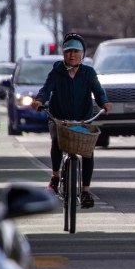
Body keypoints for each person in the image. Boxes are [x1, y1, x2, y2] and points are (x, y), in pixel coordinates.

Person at [30, 33, 112, 208]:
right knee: (57, 141)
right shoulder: (57, 72)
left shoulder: (88, 73)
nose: (72, 55)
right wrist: (39, 101)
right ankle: (55, 177)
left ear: (82, 54)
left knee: (88, 151)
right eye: (68, 51)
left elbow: (98, 91)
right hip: (58, 119)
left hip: (83, 120)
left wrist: (104, 102)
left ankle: (85, 191)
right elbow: (46, 90)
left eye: (75, 51)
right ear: (63, 54)